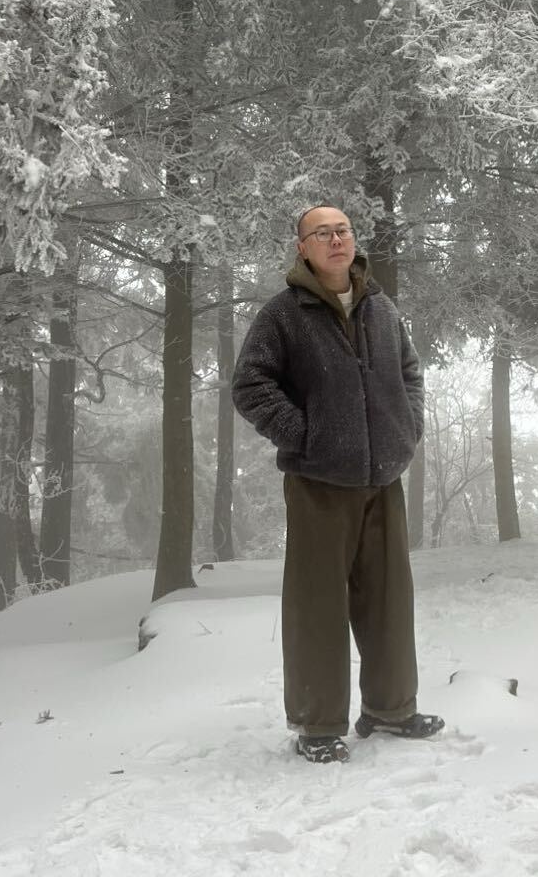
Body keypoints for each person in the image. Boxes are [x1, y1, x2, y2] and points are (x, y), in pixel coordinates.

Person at [232, 204, 444, 763]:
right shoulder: (283, 314)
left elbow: (410, 373)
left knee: (389, 601)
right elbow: (250, 384)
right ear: (302, 247)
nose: (335, 240)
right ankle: (319, 724)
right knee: (318, 606)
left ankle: (391, 710)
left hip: (383, 478)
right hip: (319, 483)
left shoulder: (381, 307)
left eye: (343, 231)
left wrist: (408, 428)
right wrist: (304, 436)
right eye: (321, 233)